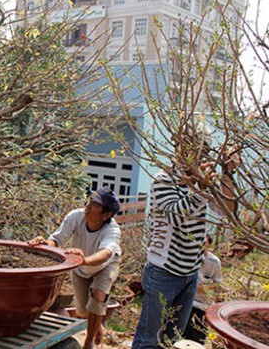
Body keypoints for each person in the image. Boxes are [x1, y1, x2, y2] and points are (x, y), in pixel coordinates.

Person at [132, 126, 238, 348]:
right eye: (194, 150)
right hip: (163, 271)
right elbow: (175, 216)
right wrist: (200, 189)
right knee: (148, 339)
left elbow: (226, 210)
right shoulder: (164, 180)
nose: (200, 156)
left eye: (204, 151)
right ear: (181, 149)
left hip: (190, 273)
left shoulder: (203, 181)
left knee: (172, 340)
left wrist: (227, 174)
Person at [29, 186, 122, 349]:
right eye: (90, 200)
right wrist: (46, 243)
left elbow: (106, 254)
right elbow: (57, 240)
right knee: (83, 312)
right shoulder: (76, 216)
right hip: (80, 265)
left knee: (99, 295)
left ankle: (89, 342)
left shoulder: (112, 230)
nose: (88, 204)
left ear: (106, 215)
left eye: (95, 204)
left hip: (104, 266)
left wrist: (84, 260)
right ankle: (97, 324)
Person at [183, 234, 223, 343]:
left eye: (203, 243)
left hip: (202, 302)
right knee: (183, 330)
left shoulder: (214, 262)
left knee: (199, 333)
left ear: (208, 245)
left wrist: (206, 288)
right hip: (186, 299)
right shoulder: (187, 257)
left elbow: (218, 283)